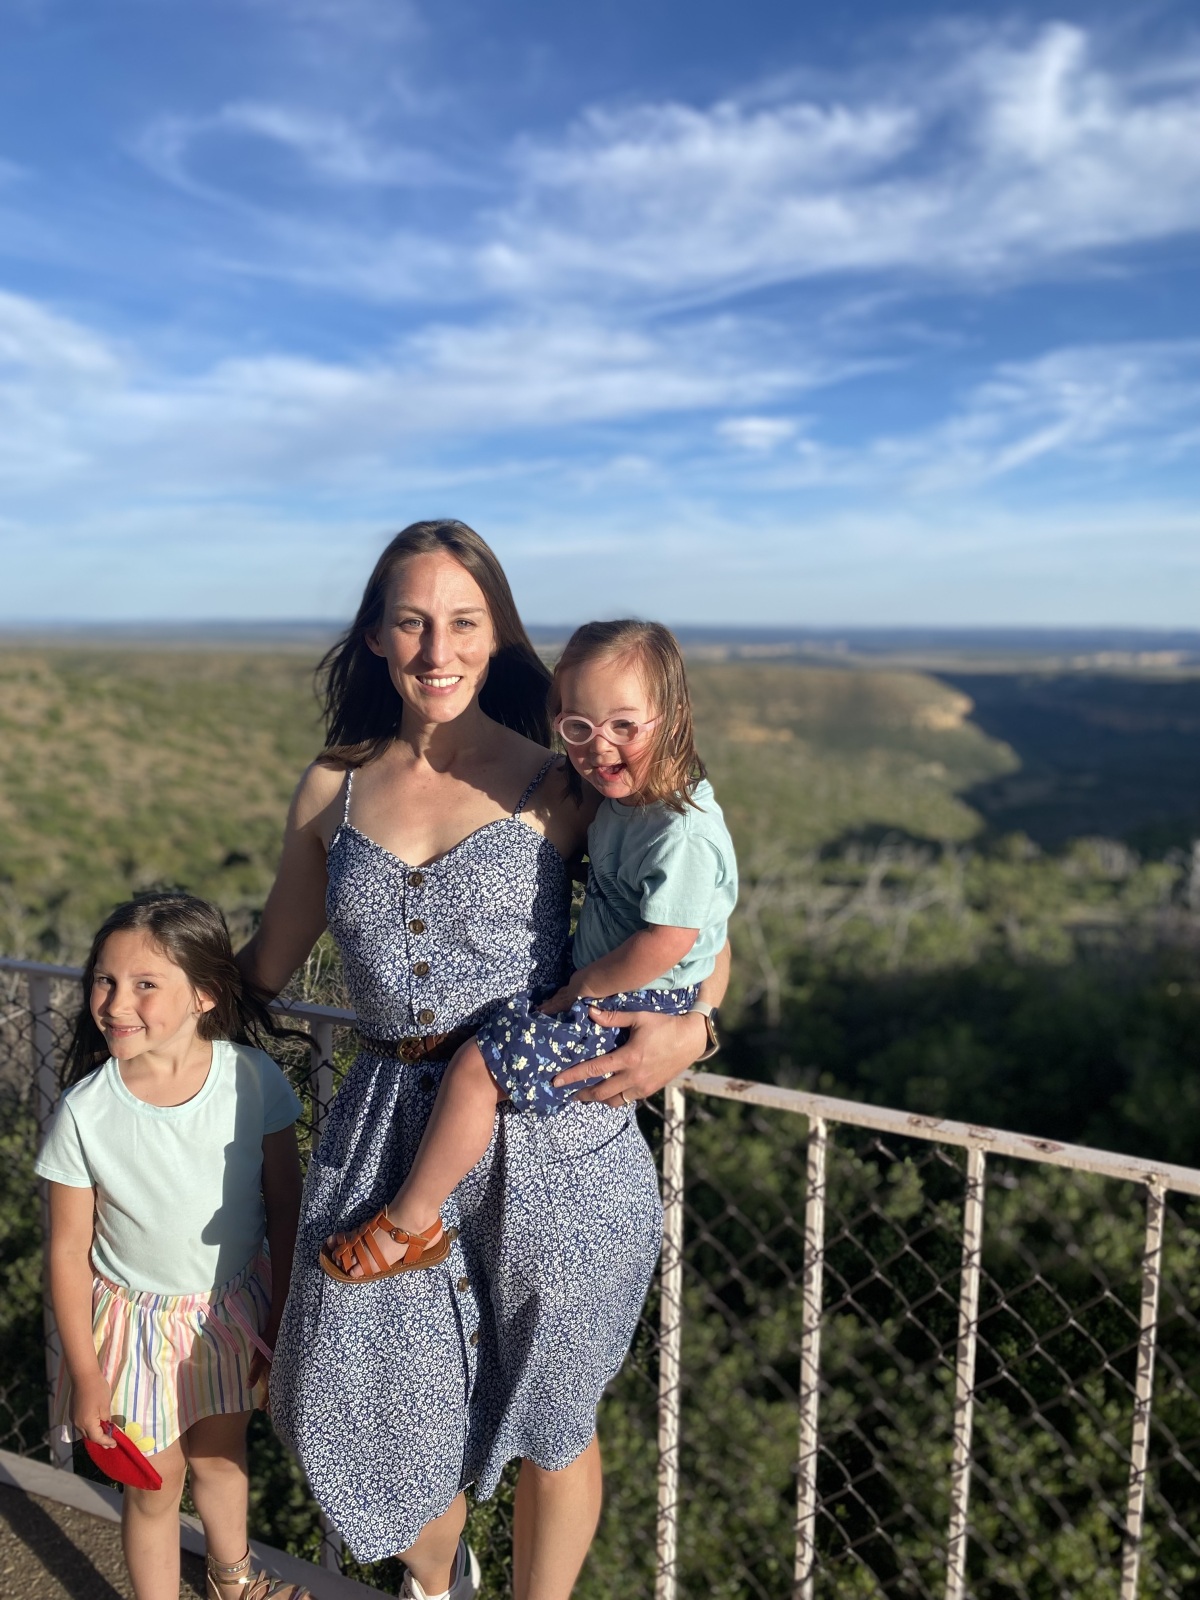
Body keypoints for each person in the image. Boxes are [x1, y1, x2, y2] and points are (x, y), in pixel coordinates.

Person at [239, 520, 729, 1600]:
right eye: (410, 620)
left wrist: (695, 1029)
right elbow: (269, 960)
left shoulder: (565, 780)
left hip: (557, 1131)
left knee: (555, 1415)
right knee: (333, 1392)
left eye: (463, 621)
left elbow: (698, 920)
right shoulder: (333, 788)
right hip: (384, 1132)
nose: (436, 647)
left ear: (497, 633)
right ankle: (441, 1569)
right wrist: (152, 1012)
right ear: (374, 636)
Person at [321, 618, 737, 1283]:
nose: (600, 749)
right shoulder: (618, 805)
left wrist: (606, 992)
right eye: (579, 729)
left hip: (620, 1002)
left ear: (673, 716)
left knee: (475, 1070)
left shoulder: (676, 831)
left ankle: (409, 1222)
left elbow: (681, 938)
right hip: (614, 993)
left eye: (625, 727)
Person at [35, 891, 309, 1600]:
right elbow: (67, 1252)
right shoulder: (86, 1112)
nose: (116, 1001)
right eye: (105, 979)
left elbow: (286, 1207)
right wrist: (87, 1374)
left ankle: (232, 1580)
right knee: (154, 1486)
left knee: (221, 1459)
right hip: (129, 1333)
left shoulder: (254, 1082)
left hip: (232, 1316)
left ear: (206, 995)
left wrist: (278, 1311)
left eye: (145, 984)